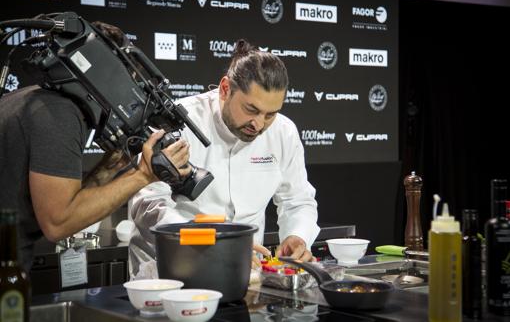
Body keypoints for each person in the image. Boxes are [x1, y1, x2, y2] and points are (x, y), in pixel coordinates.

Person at [0, 22, 190, 273]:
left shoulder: (37, 100)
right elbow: (58, 223)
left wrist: (110, 167)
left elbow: (70, 205)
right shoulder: (58, 114)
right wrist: (144, 174)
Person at [129, 39, 320, 279]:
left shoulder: (284, 132)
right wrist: (206, 239)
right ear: (225, 88)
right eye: (251, 110)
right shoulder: (177, 123)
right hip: (169, 272)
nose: (259, 124)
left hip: (245, 275)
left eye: (270, 114)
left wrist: (297, 235)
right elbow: (148, 204)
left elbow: (297, 200)